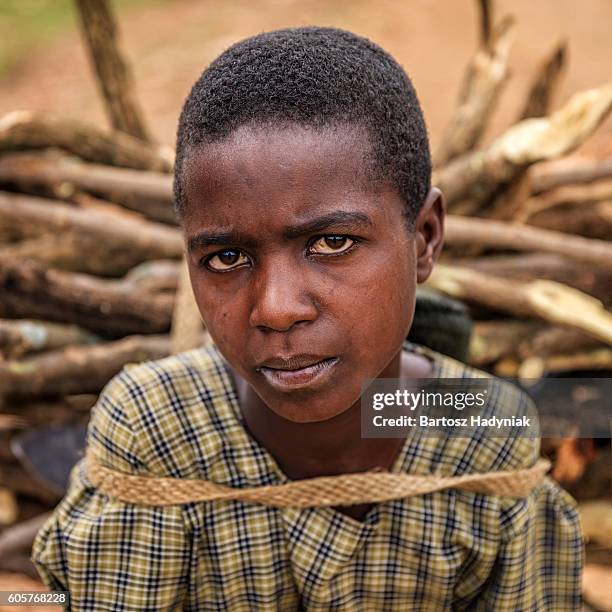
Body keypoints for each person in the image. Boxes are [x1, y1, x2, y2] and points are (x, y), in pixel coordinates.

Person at [32, 27, 583, 610]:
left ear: (424, 239)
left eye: (333, 242)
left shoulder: (480, 434)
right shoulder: (158, 434)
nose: (276, 308)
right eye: (226, 257)